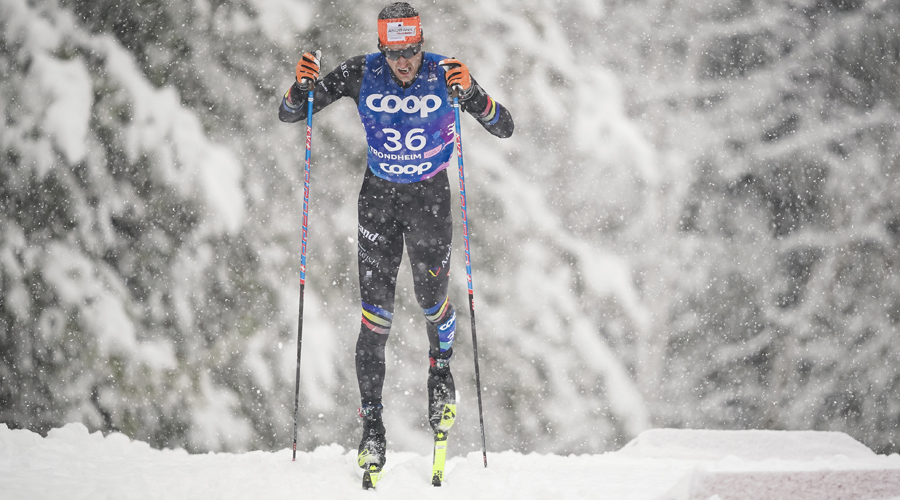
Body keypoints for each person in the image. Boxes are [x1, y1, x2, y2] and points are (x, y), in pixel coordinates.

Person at [278, 1, 514, 479]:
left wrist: (472, 93)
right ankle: (372, 428)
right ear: (381, 48)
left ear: (421, 45)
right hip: (378, 203)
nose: (403, 62)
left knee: (432, 303)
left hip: (430, 203)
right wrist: (300, 86)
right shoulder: (361, 72)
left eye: (410, 51)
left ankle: (440, 368)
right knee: (375, 318)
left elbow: (503, 125)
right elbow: (292, 113)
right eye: (393, 53)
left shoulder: (444, 73)